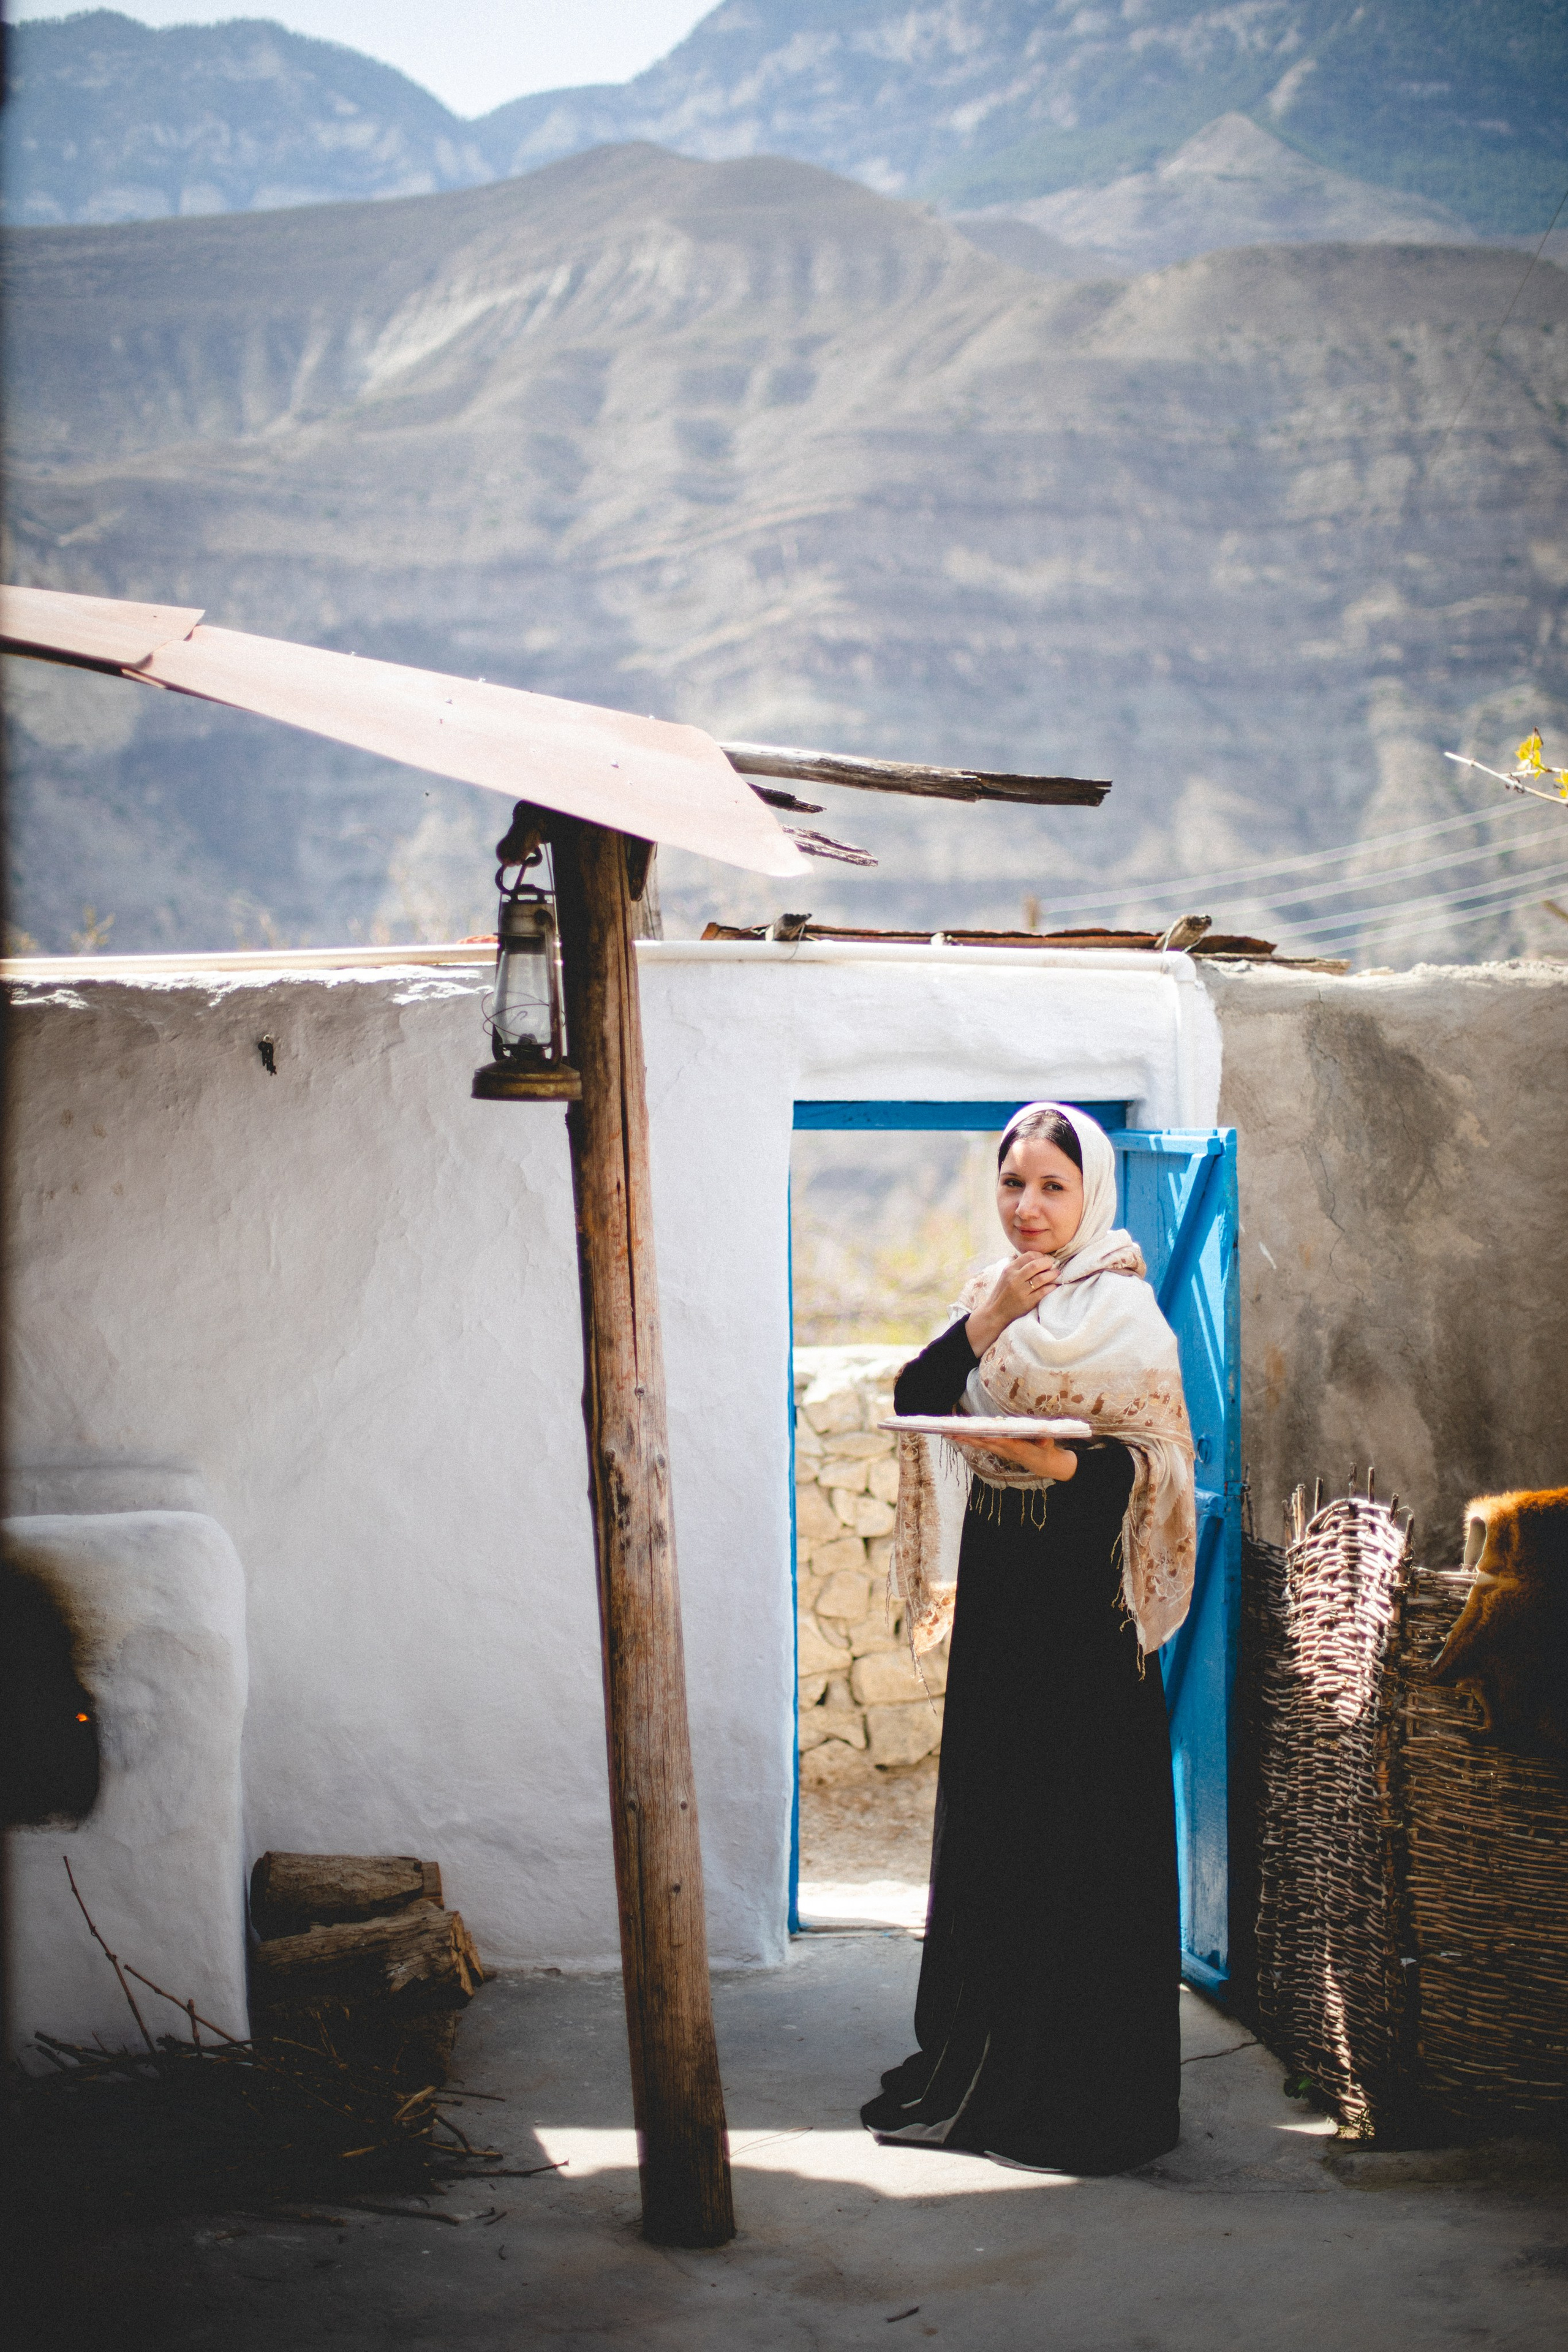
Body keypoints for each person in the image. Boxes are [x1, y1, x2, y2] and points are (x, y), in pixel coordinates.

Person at [859, 1101, 1197, 2174]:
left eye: (1052, 1187)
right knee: (1000, 1828)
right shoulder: (989, 1295)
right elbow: (916, 1396)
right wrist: (989, 1315)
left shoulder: (1129, 1316)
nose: (1030, 1208)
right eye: (1013, 1185)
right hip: (1005, 1604)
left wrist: (1057, 1463)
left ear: (1090, 1191)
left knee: (1078, 1842)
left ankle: (1087, 2088)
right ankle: (981, 2055)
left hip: (1086, 1622)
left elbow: (1158, 1465)